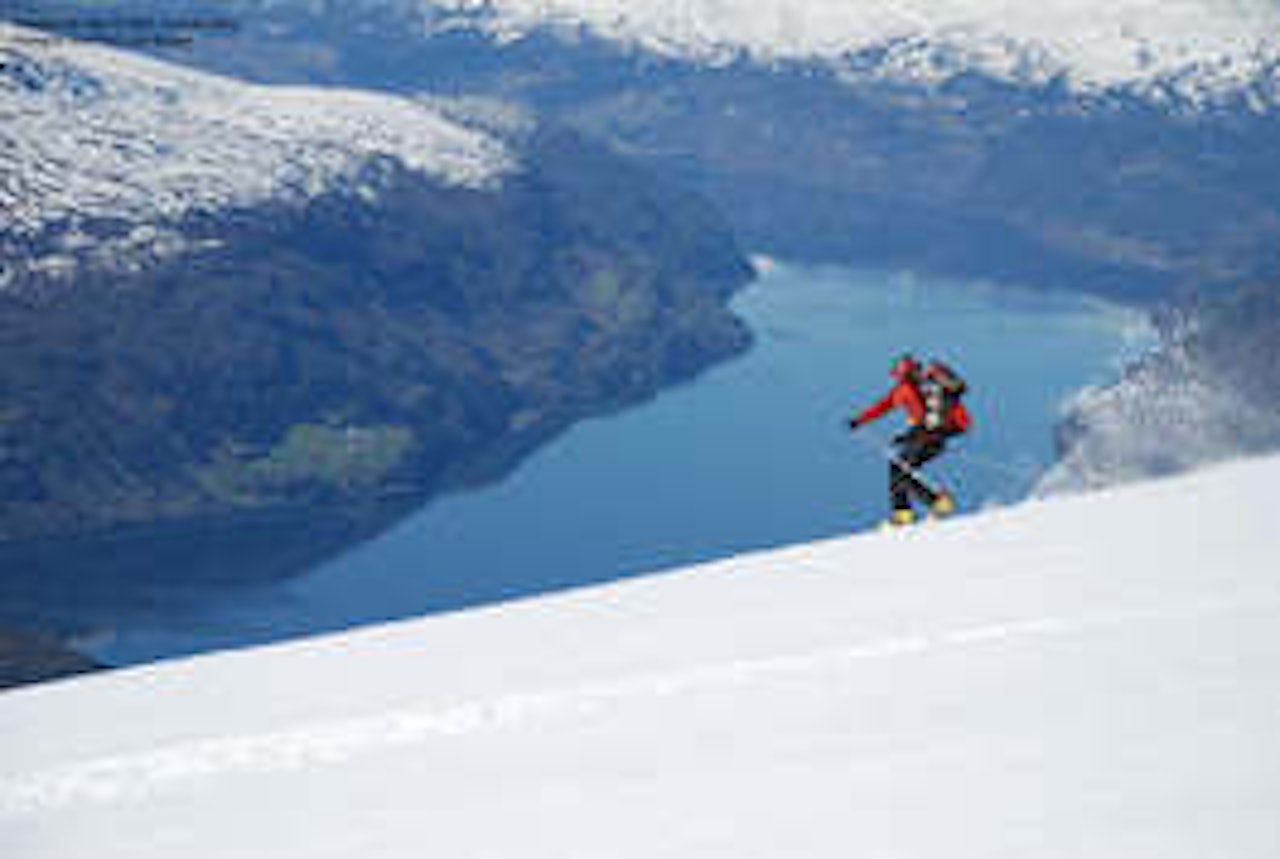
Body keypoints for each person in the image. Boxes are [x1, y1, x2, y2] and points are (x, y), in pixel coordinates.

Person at [848, 354, 971, 527]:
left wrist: (859, 421)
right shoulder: (924, 389)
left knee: (901, 470)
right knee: (900, 469)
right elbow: (885, 405)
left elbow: (888, 407)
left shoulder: (911, 390)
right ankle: (913, 509)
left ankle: (928, 505)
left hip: (928, 437)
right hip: (935, 437)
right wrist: (860, 420)